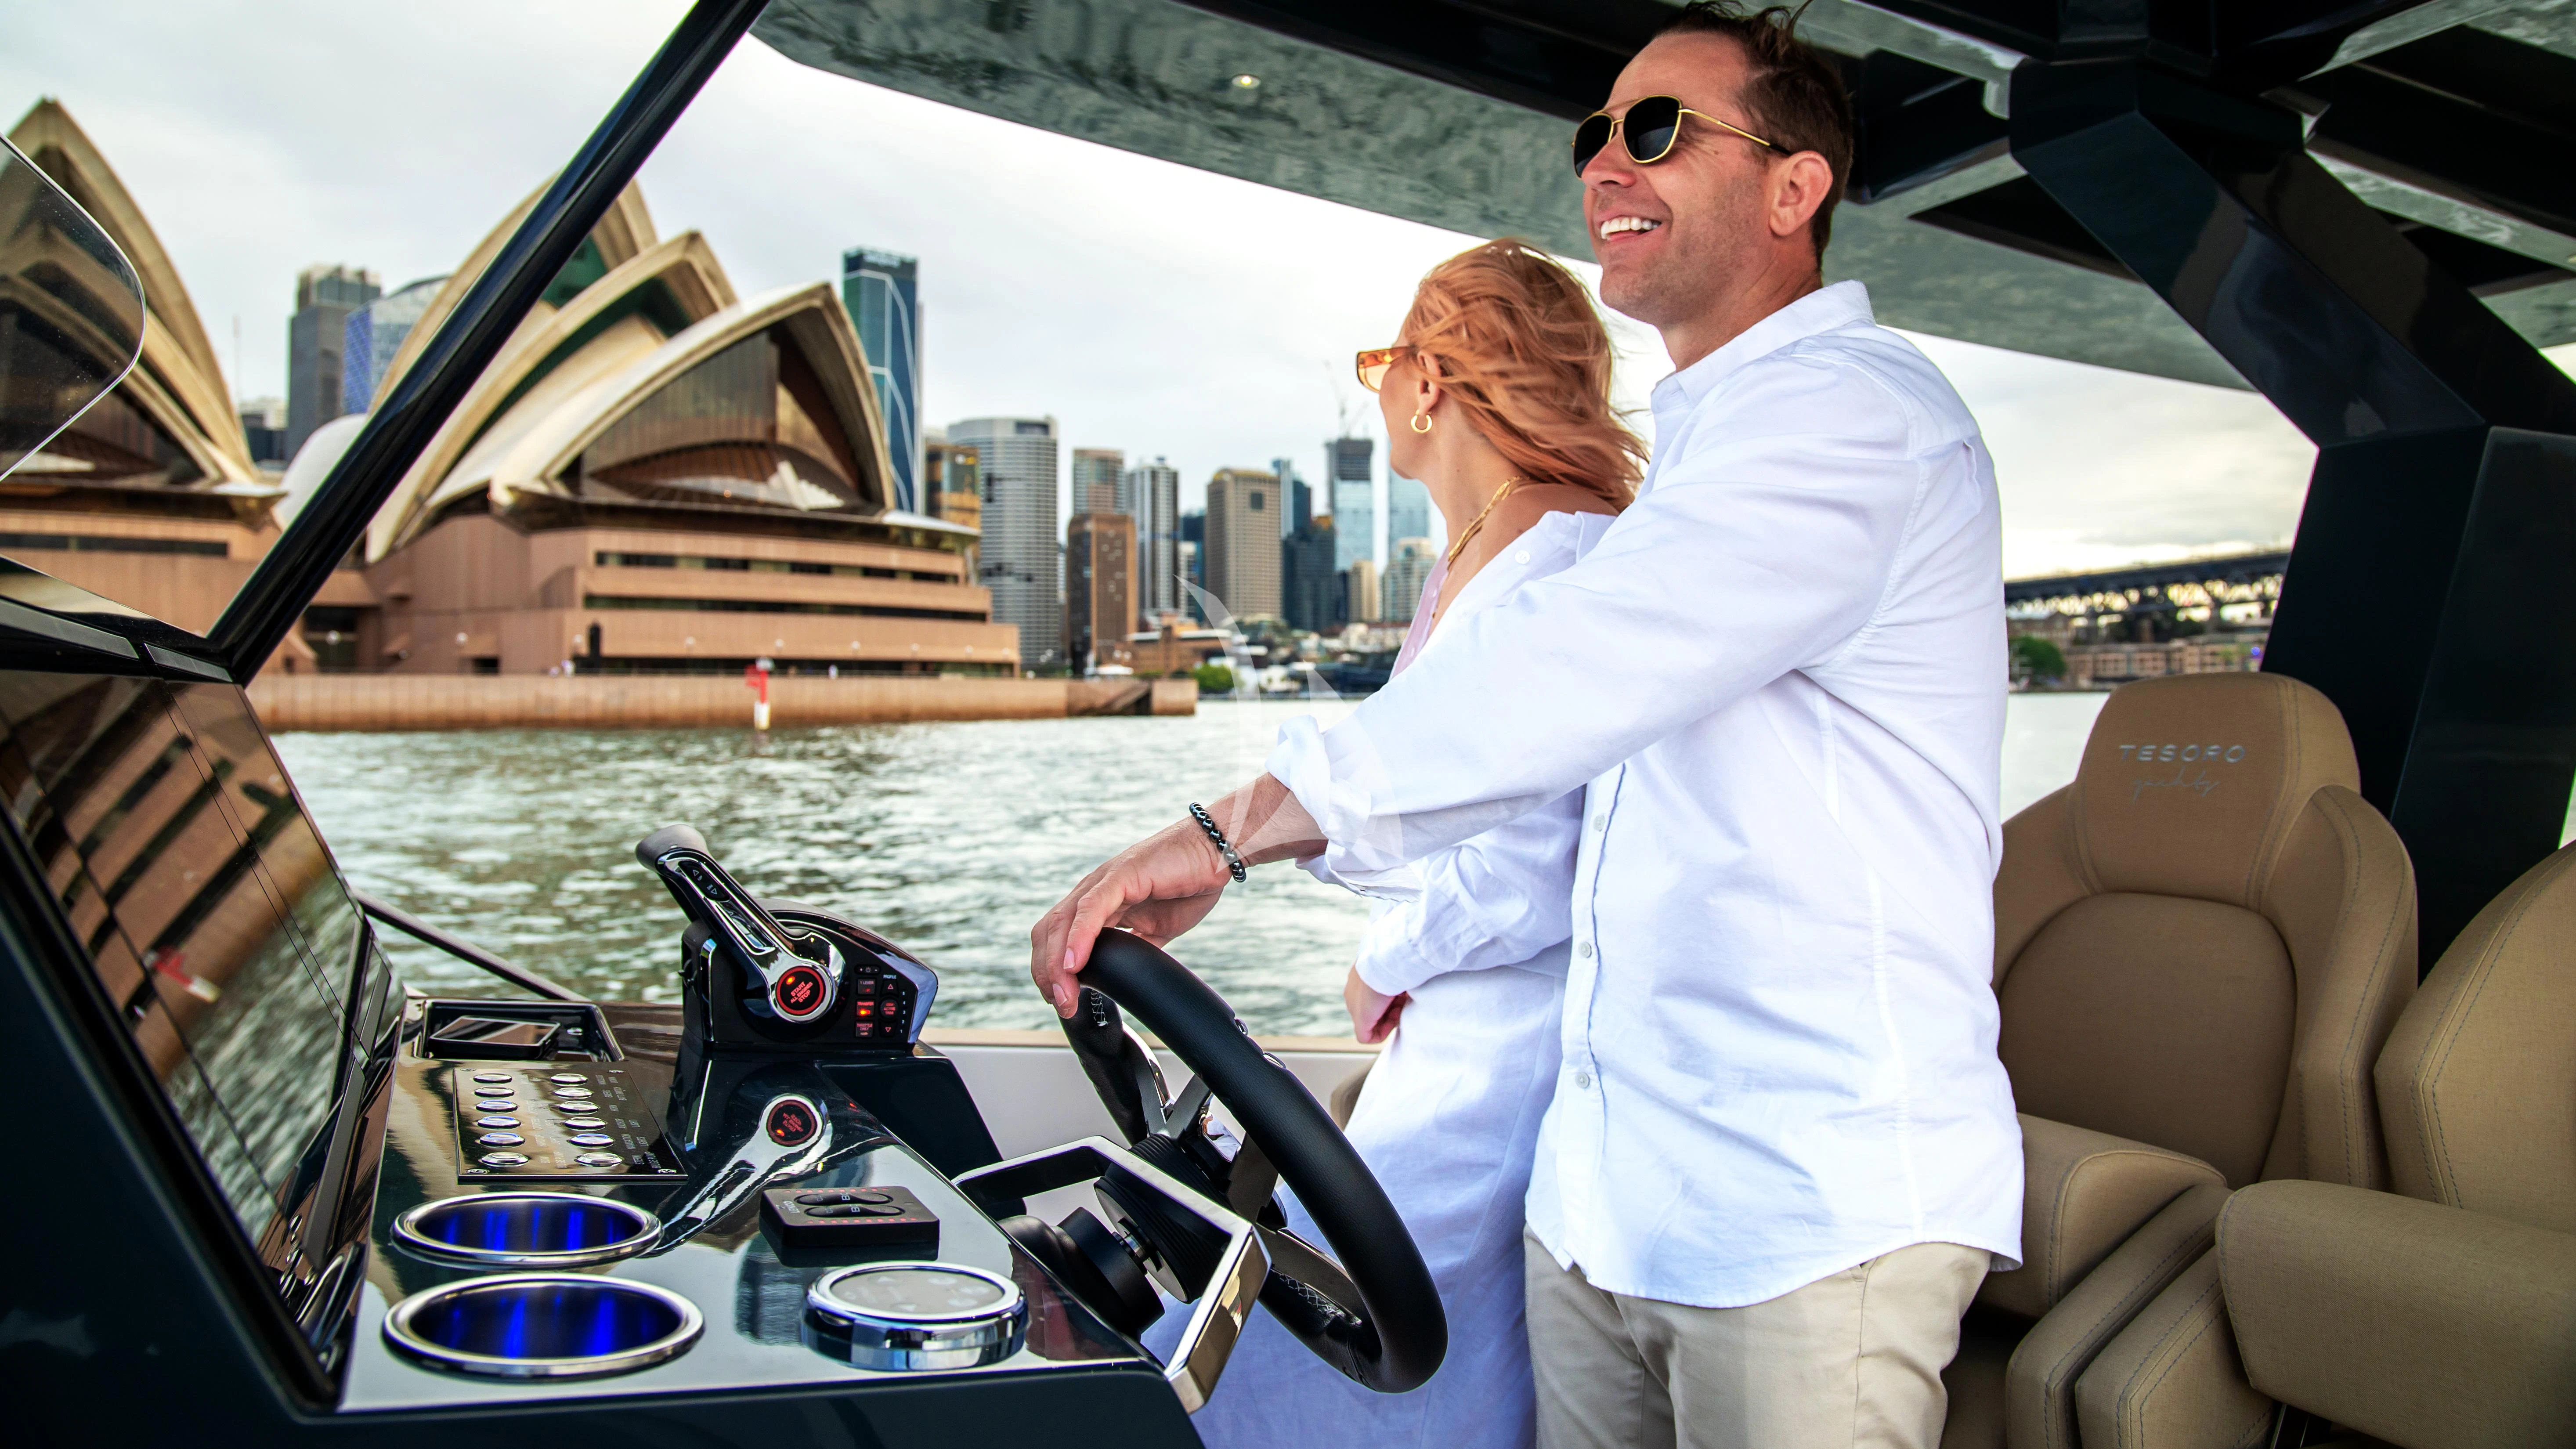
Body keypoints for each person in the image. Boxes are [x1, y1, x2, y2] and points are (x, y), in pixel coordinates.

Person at [1032, 5, 2022, 1447]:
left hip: (1802, 1215)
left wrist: (1226, 833)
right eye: (1595, 137)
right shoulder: (1699, 457)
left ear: (1796, 188)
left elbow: (1572, 672)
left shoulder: (1855, 420)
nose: (1606, 166)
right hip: (1605, 1210)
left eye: (1658, 130)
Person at [1171, 239, 1641, 1449]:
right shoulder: (1490, 547)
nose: (1376, 385)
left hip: (1509, 1051)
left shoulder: (1551, 559)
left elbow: (1536, 860)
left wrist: (1390, 959)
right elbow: (1425, 794)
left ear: (1430, 383)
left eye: (1383, 360)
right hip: (1465, 1025)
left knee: (1344, 1366)